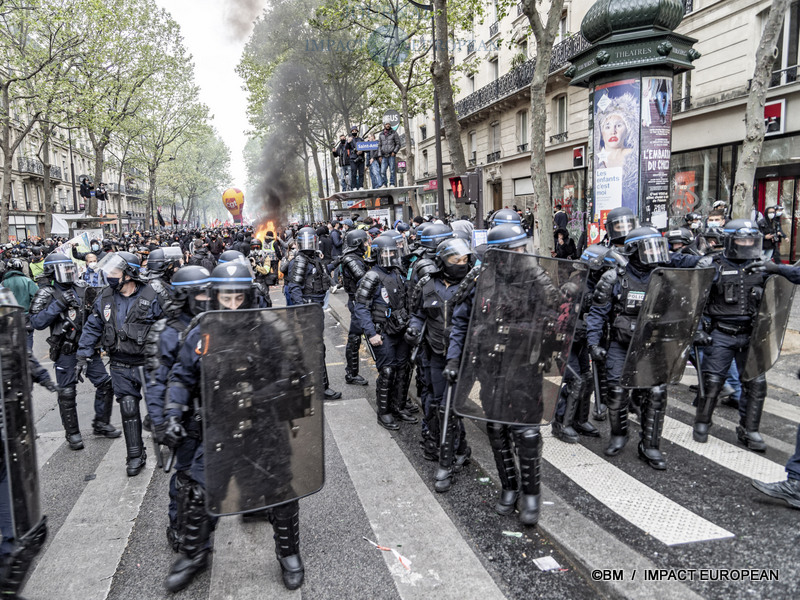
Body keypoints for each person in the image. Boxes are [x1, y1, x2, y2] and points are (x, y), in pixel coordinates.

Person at [162, 262, 307, 592]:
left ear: (249, 297)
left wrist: (257, 397)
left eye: (237, 298)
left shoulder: (268, 331)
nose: (231, 305)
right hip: (220, 425)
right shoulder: (202, 332)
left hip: (264, 425)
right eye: (225, 299)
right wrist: (173, 412)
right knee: (199, 490)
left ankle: (289, 554)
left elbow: (290, 377)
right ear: (215, 297)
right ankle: (193, 554)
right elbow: (182, 376)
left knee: (280, 490)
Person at [445, 223, 558, 525]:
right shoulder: (480, 278)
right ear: (500, 254)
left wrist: (538, 336)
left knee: (527, 433)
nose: (522, 254)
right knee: (496, 428)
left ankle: (531, 494)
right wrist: (455, 358)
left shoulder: (536, 278)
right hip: (490, 366)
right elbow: (460, 321)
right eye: (516, 249)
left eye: (524, 248)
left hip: (524, 366)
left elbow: (556, 314)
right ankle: (509, 487)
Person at [586, 227, 701, 469]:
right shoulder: (613, 278)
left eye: (656, 247)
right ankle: (619, 435)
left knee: (656, 394)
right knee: (616, 394)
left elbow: (680, 309)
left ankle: (650, 445)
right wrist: (593, 343)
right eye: (648, 248)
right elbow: (597, 314)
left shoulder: (665, 277)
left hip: (653, 344)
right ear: (633, 250)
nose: (654, 253)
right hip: (620, 344)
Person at [692, 220, 794, 452]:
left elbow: (777, 301)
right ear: (729, 241)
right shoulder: (713, 264)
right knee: (713, 382)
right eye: (742, 240)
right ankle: (702, 422)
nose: (747, 244)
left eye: (751, 239)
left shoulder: (763, 267)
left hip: (752, 334)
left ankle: (749, 429)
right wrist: (697, 330)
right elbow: (695, 301)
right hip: (721, 332)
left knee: (756, 384)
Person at [77, 252, 163, 475]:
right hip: (120, 363)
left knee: (159, 409)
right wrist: (82, 355)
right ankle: (135, 455)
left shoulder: (153, 294)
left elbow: (169, 327)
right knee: (127, 407)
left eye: (114, 272)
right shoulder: (105, 297)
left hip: (150, 363)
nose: (109, 276)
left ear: (129, 274)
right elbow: (92, 327)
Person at [144, 265, 210, 553]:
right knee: (186, 479)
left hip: (220, 410)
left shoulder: (215, 321)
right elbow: (157, 381)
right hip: (186, 416)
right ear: (185, 296)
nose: (209, 298)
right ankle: (181, 528)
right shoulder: (166, 331)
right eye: (202, 293)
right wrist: (161, 423)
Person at [30, 253, 121, 449]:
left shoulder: (82, 288)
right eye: (65, 270)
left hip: (87, 348)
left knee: (105, 384)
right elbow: (37, 322)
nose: (70, 273)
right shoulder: (46, 293)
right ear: (53, 272)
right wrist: (59, 304)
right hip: (66, 350)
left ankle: (101, 423)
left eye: (71, 268)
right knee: (67, 392)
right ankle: (72, 433)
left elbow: (97, 315)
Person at [407, 237, 473, 492]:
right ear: (443, 260)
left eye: (465, 260)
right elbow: (418, 314)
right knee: (436, 404)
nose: (461, 264)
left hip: (463, 358)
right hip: (434, 355)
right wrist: (413, 329)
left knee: (449, 407)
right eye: (455, 260)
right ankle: (461, 448)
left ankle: (446, 466)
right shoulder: (427, 285)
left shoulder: (471, 285)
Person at [354, 234, 418, 430]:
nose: (390, 256)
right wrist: (371, 333)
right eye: (386, 252)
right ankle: (384, 412)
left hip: (401, 329)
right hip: (383, 332)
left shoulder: (398, 271)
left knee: (403, 368)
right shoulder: (371, 276)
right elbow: (361, 308)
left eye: (393, 252)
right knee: (387, 371)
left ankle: (398, 407)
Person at [286, 227, 341, 399]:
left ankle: (309, 385)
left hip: (315, 308)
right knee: (316, 348)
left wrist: (339, 261)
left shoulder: (312, 259)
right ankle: (319, 388)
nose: (309, 244)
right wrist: (302, 306)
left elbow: (322, 274)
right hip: (309, 309)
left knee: (315, 348)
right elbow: (294, 286)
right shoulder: (301, 260)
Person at [333, 229, 370, 386]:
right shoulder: (350, 259)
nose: (367, 244)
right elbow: (363, 279)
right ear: (357, 243)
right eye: (365, 242)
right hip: (357, 302)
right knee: (355, 338)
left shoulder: (355, 257)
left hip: (360, 301)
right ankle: (351, 373)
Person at [378, 121, 401, 187]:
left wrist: (394, 152)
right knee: (382, 171)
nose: (388, 125)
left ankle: (392, 183)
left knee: (392, 170)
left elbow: (398, 144)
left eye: (389, 124)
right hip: (384, 155)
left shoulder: (394, 133)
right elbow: (379, 145)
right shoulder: (381, 134)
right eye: (386, 124)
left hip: (391, 155)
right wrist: (379, 155)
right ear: (384, 125)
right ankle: (384, 184)